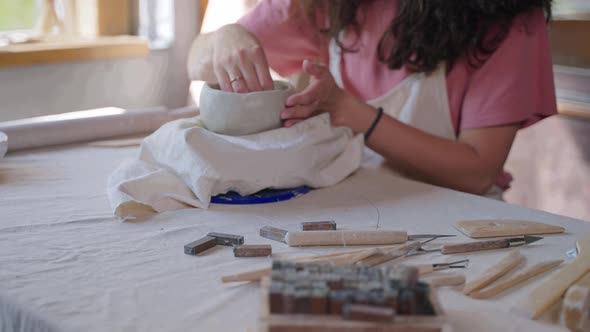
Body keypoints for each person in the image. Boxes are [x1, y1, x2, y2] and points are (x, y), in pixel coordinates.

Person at [187, 0, 556, 199]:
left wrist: (351, 112)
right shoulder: (326, 7)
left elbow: (476, 172)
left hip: (463, 221)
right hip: (359, 207)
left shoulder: (509, 17)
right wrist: (226, 38)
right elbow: (196, 61)